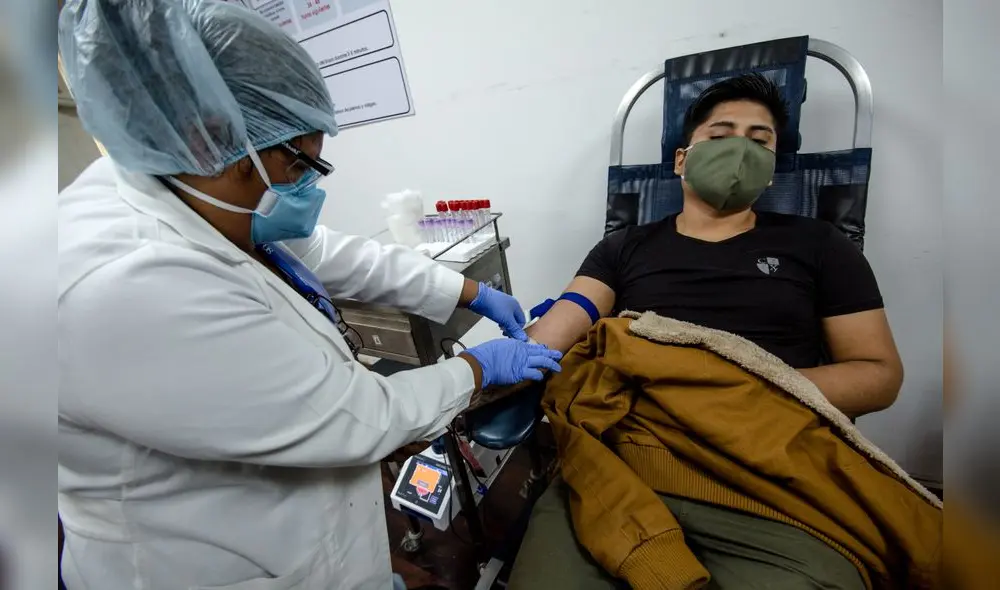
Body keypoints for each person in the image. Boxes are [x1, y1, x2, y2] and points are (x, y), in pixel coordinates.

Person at [56, 1, 561, 589]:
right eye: (302, 163)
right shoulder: (125, 285)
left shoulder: (176, 184)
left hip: (294, 530)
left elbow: (320, 251)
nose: (306, 185)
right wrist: (478, 367)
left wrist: (468, 291)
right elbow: (358, 416)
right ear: (215, 139)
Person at [508, 73, 904, 588]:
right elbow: (556, 333)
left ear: (772, 169)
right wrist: (477, 364)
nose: (741, 150)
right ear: (680, 159)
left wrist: (736, 386)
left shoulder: (821, 245)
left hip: (768, 477)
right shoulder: (623, 248)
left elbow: (879, 375)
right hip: (629, 459)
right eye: (720, 136)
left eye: (760, 141)